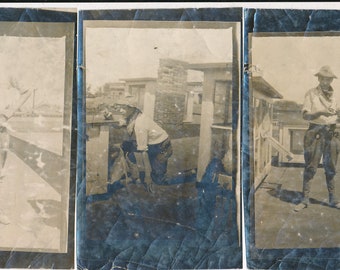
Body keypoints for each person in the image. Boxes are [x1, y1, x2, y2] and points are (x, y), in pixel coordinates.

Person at [295, 66, 340, 211]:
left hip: (332, 133)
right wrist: (319, 112)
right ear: (319, 79)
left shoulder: (336, 95)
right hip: (315, 132)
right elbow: (305, 116)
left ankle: (333, 200)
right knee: (311, 166)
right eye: (324, 78)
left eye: (329, 79)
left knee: (331, 167)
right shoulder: (311, 94)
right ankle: (305, 199)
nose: (326, 81)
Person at [117, 105, 173, 192]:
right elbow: (127, 121)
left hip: (162, 146)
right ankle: (134, 175)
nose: (120, 110)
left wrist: (147, 177)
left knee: (158, 180)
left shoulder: (140, 124)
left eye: (124, 108)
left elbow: (143, 152)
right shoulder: (135, 116)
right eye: (120, 107)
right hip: (151, 143)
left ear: (132, 109)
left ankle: (154, 177)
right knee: (127, 150)